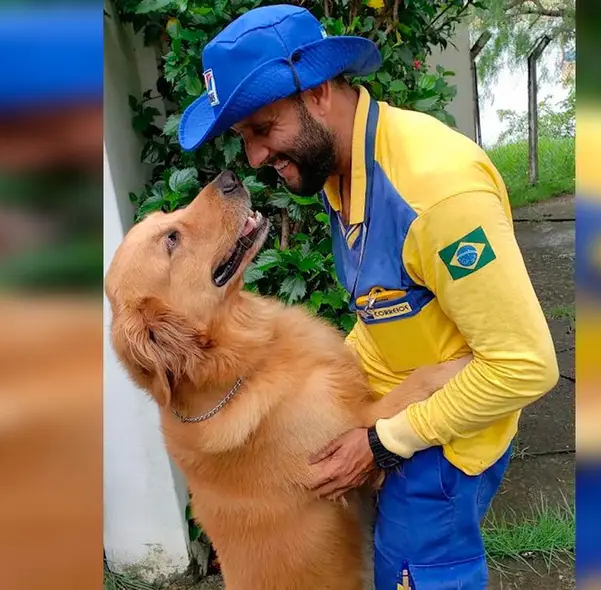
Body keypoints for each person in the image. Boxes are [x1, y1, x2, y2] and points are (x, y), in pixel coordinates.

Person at [178, 5, 559, 588]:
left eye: (262, 128)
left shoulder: (437, 194)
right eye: (243, 137)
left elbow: (525, 366)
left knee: (409, 574)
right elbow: (385, 308)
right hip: (398, 409)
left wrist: (382, 443)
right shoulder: (341, 168)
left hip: (448, 439)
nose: (254, 158)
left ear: (320, 91)